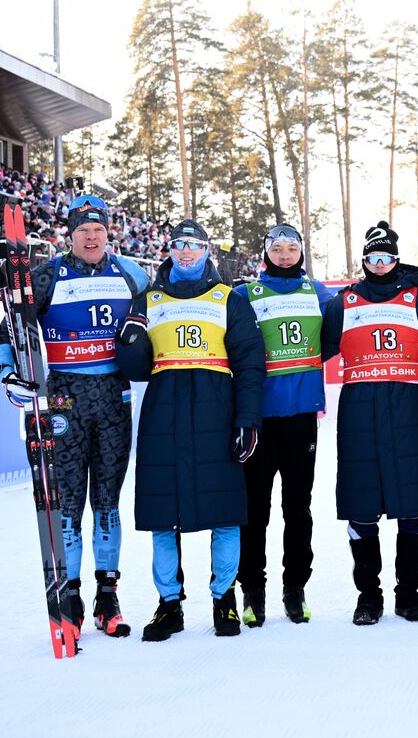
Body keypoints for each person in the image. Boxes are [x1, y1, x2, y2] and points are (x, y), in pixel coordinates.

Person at [0, 194, 150, 638]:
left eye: (98, 230)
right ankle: (71, 597)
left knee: (106, 503)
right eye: (84, 230)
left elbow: (156, 314)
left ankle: (108, 598)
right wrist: (8, 371)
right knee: (65, 505)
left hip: (113, 397)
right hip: (64, 398)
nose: (92, 237)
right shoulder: (46, 275)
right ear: (70, 234)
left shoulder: (130, 272)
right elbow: (10, 327)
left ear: (108, 233)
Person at [116, 218, 266, 641]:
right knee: (163, 514)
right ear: (169, 249)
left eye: (194, 246)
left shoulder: (229, 299)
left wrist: (247, 420)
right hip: (164, 414)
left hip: (216, 413)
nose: (185, 253)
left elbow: (251, 365)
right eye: (179, 245)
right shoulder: (148, 298)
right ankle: (169, 605)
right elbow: (136, 369)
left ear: (207, 251)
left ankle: (224, 600)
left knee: (225, 513)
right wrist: (129, 342)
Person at [320, 221, 418, 626]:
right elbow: (313, 353)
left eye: (386, 257)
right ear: (364, 260)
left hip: (406, 408)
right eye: (372, 257)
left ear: (397, 258)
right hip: (359, 409)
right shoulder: (344, 302)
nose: (379, 264)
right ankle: (369, 596)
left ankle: (409, 594)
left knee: (411, 505)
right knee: (362, 506)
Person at [233, 224, 335, 627]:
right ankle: (252, 592)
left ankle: (295, 588)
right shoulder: (246, 294)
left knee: (298, 508)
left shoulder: (318, 292)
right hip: (260, 419)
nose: (286, 255)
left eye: (293, 248)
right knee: (254, 510)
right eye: (278, 248)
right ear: (266, 252)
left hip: (301, 417)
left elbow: (337, 332)